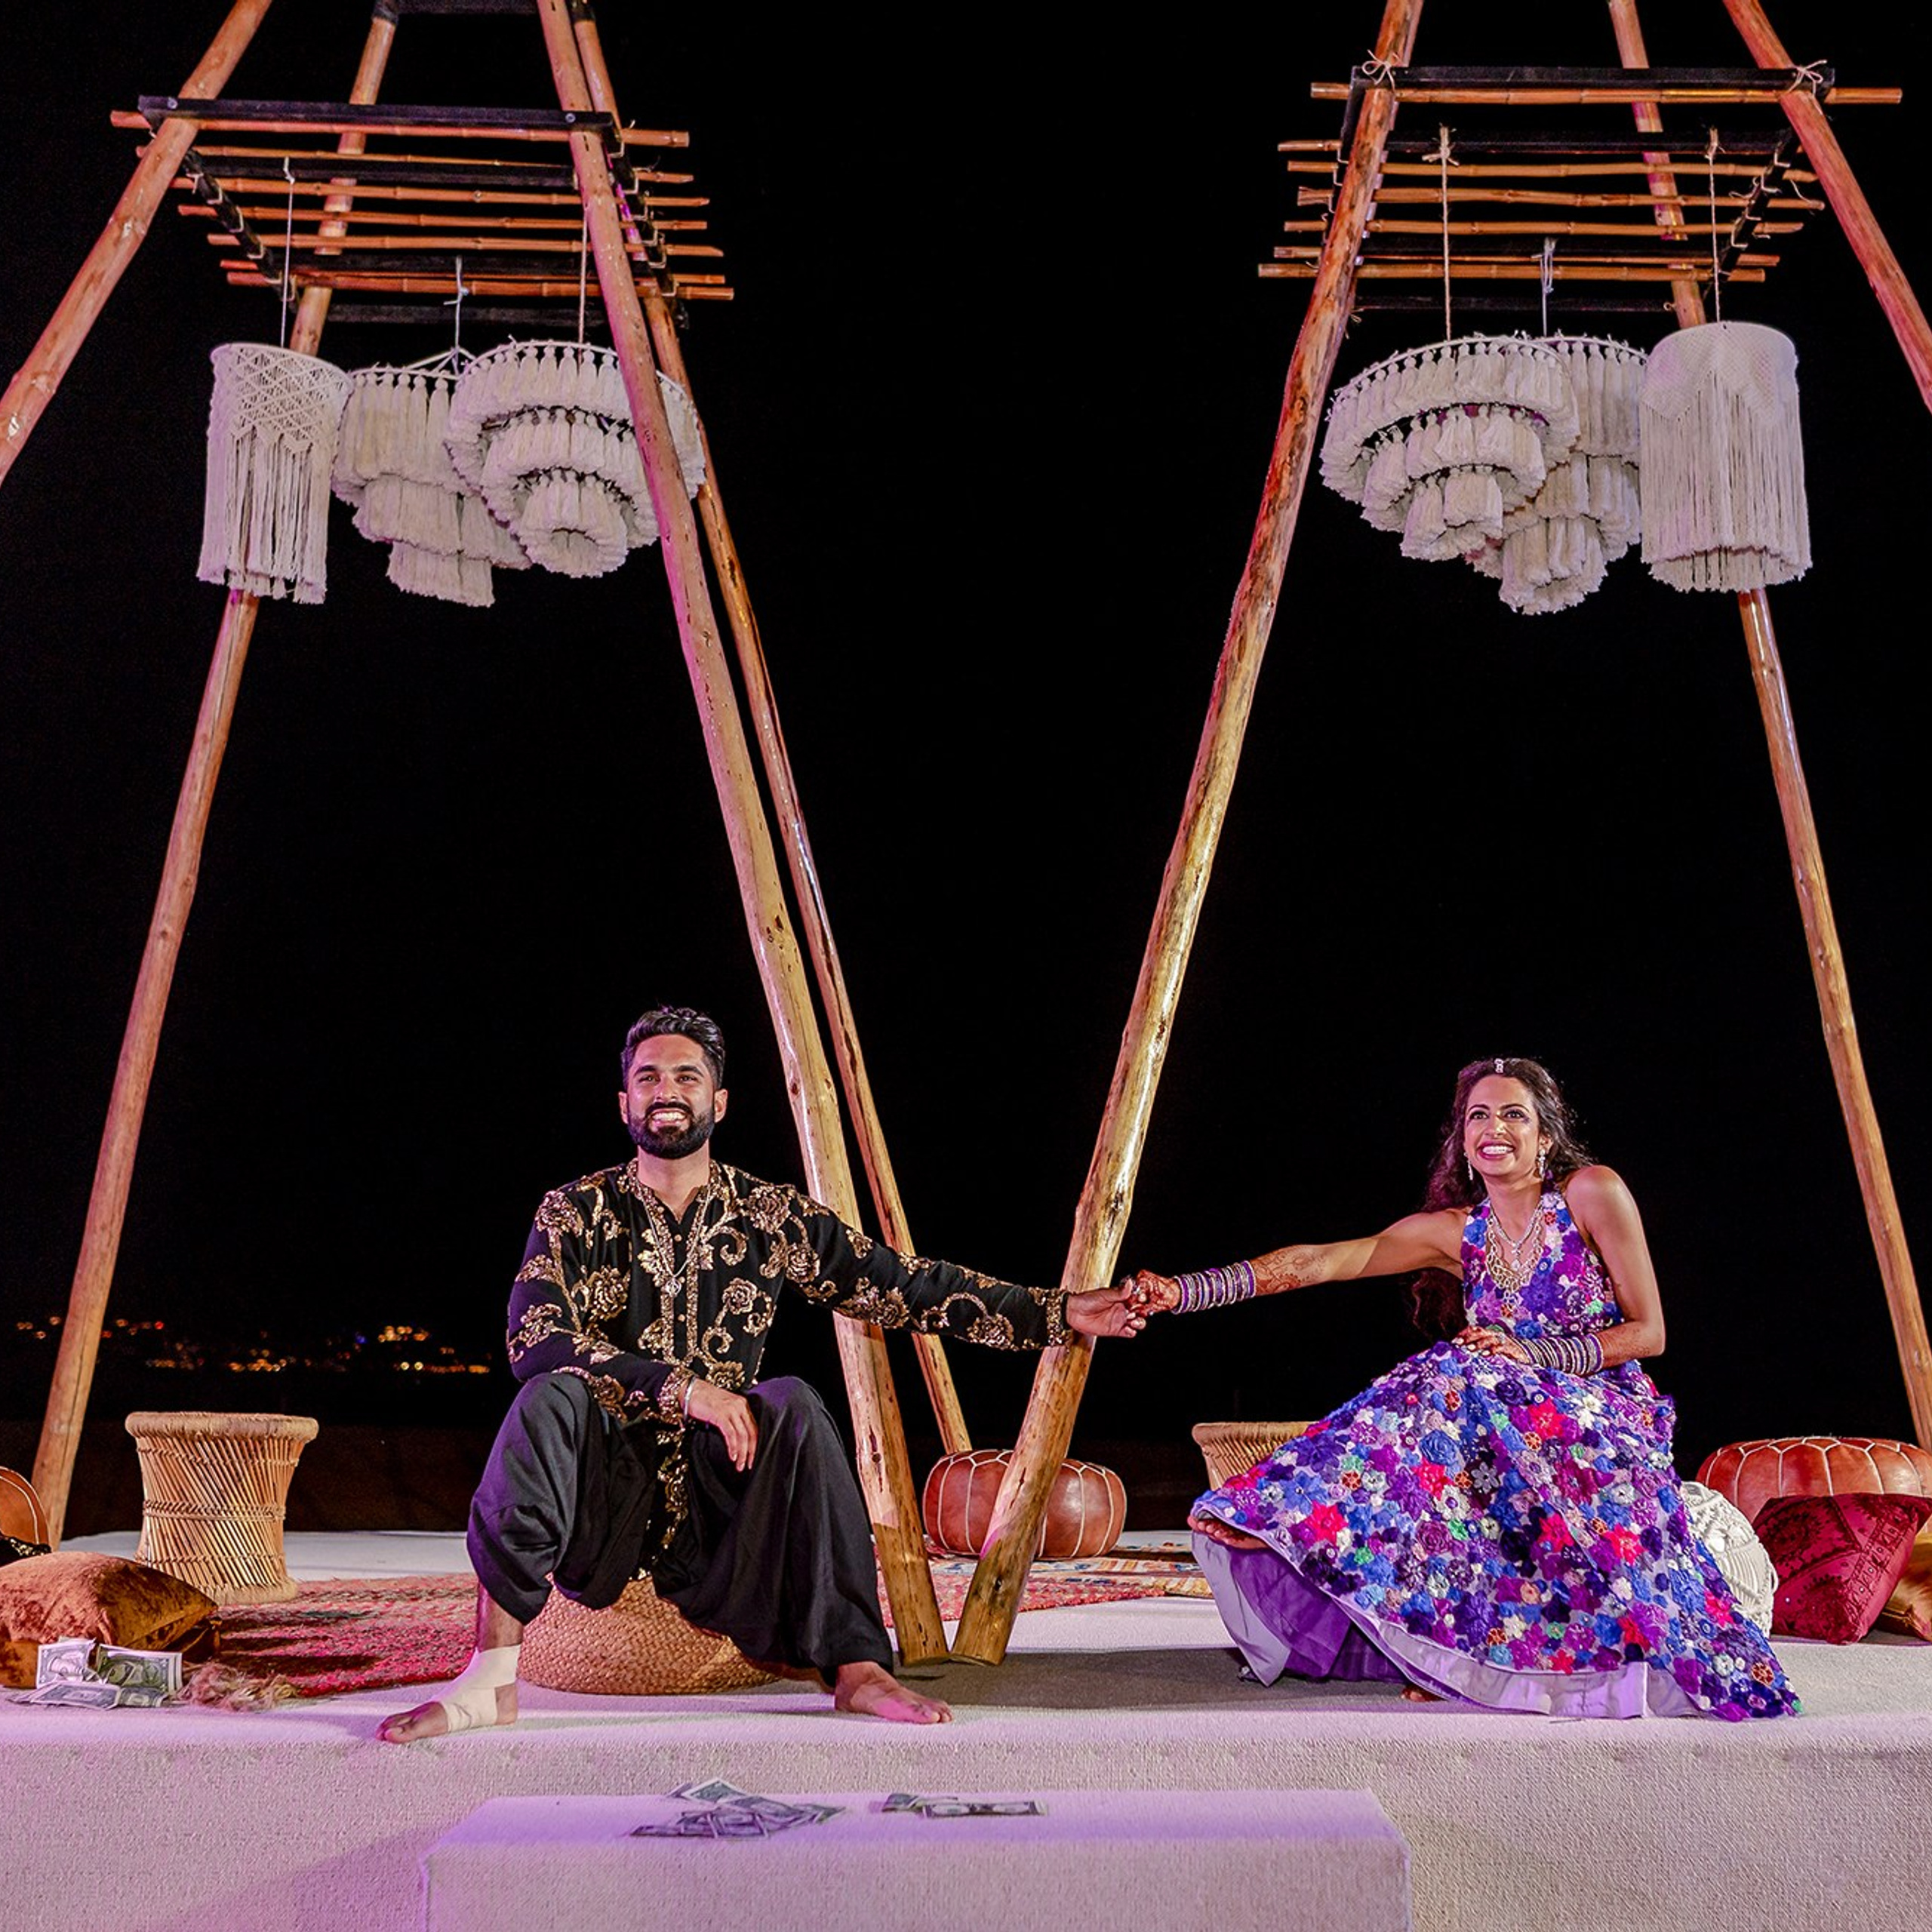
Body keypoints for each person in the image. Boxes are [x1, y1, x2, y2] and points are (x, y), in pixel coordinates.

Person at [380, 1004, 1144, 1742]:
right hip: (601, 1505)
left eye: (687, 1076)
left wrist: (1060, 1312)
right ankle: (490, 1678)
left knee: (794, 1404)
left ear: (718, 1101)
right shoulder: (574, 1212)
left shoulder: (768, 1215)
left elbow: (906, 1285)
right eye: (649, 1077)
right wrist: (684, 1390)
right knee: (549, 1398)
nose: (667, 1090)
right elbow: (535, 1339)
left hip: (724, 1516)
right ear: (624, 1103)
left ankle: (857, 1667)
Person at [1122, 1056, 1797, 1721]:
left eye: (1513, 1114)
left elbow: (1650, 1333)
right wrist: (1183, 1292)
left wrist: (1533, 1353)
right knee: (1450, 1381)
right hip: (1499, 1415)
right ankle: (1293, 1524)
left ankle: (1301, 1519)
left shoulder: (1592, 1193)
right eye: (1479, 1116)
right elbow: (1322, 1262)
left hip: (1602, 1409)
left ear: (1546, 1135)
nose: (1493, 1128)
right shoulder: (1458, 1233)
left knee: (1455, 1371)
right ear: (1462, 1139)